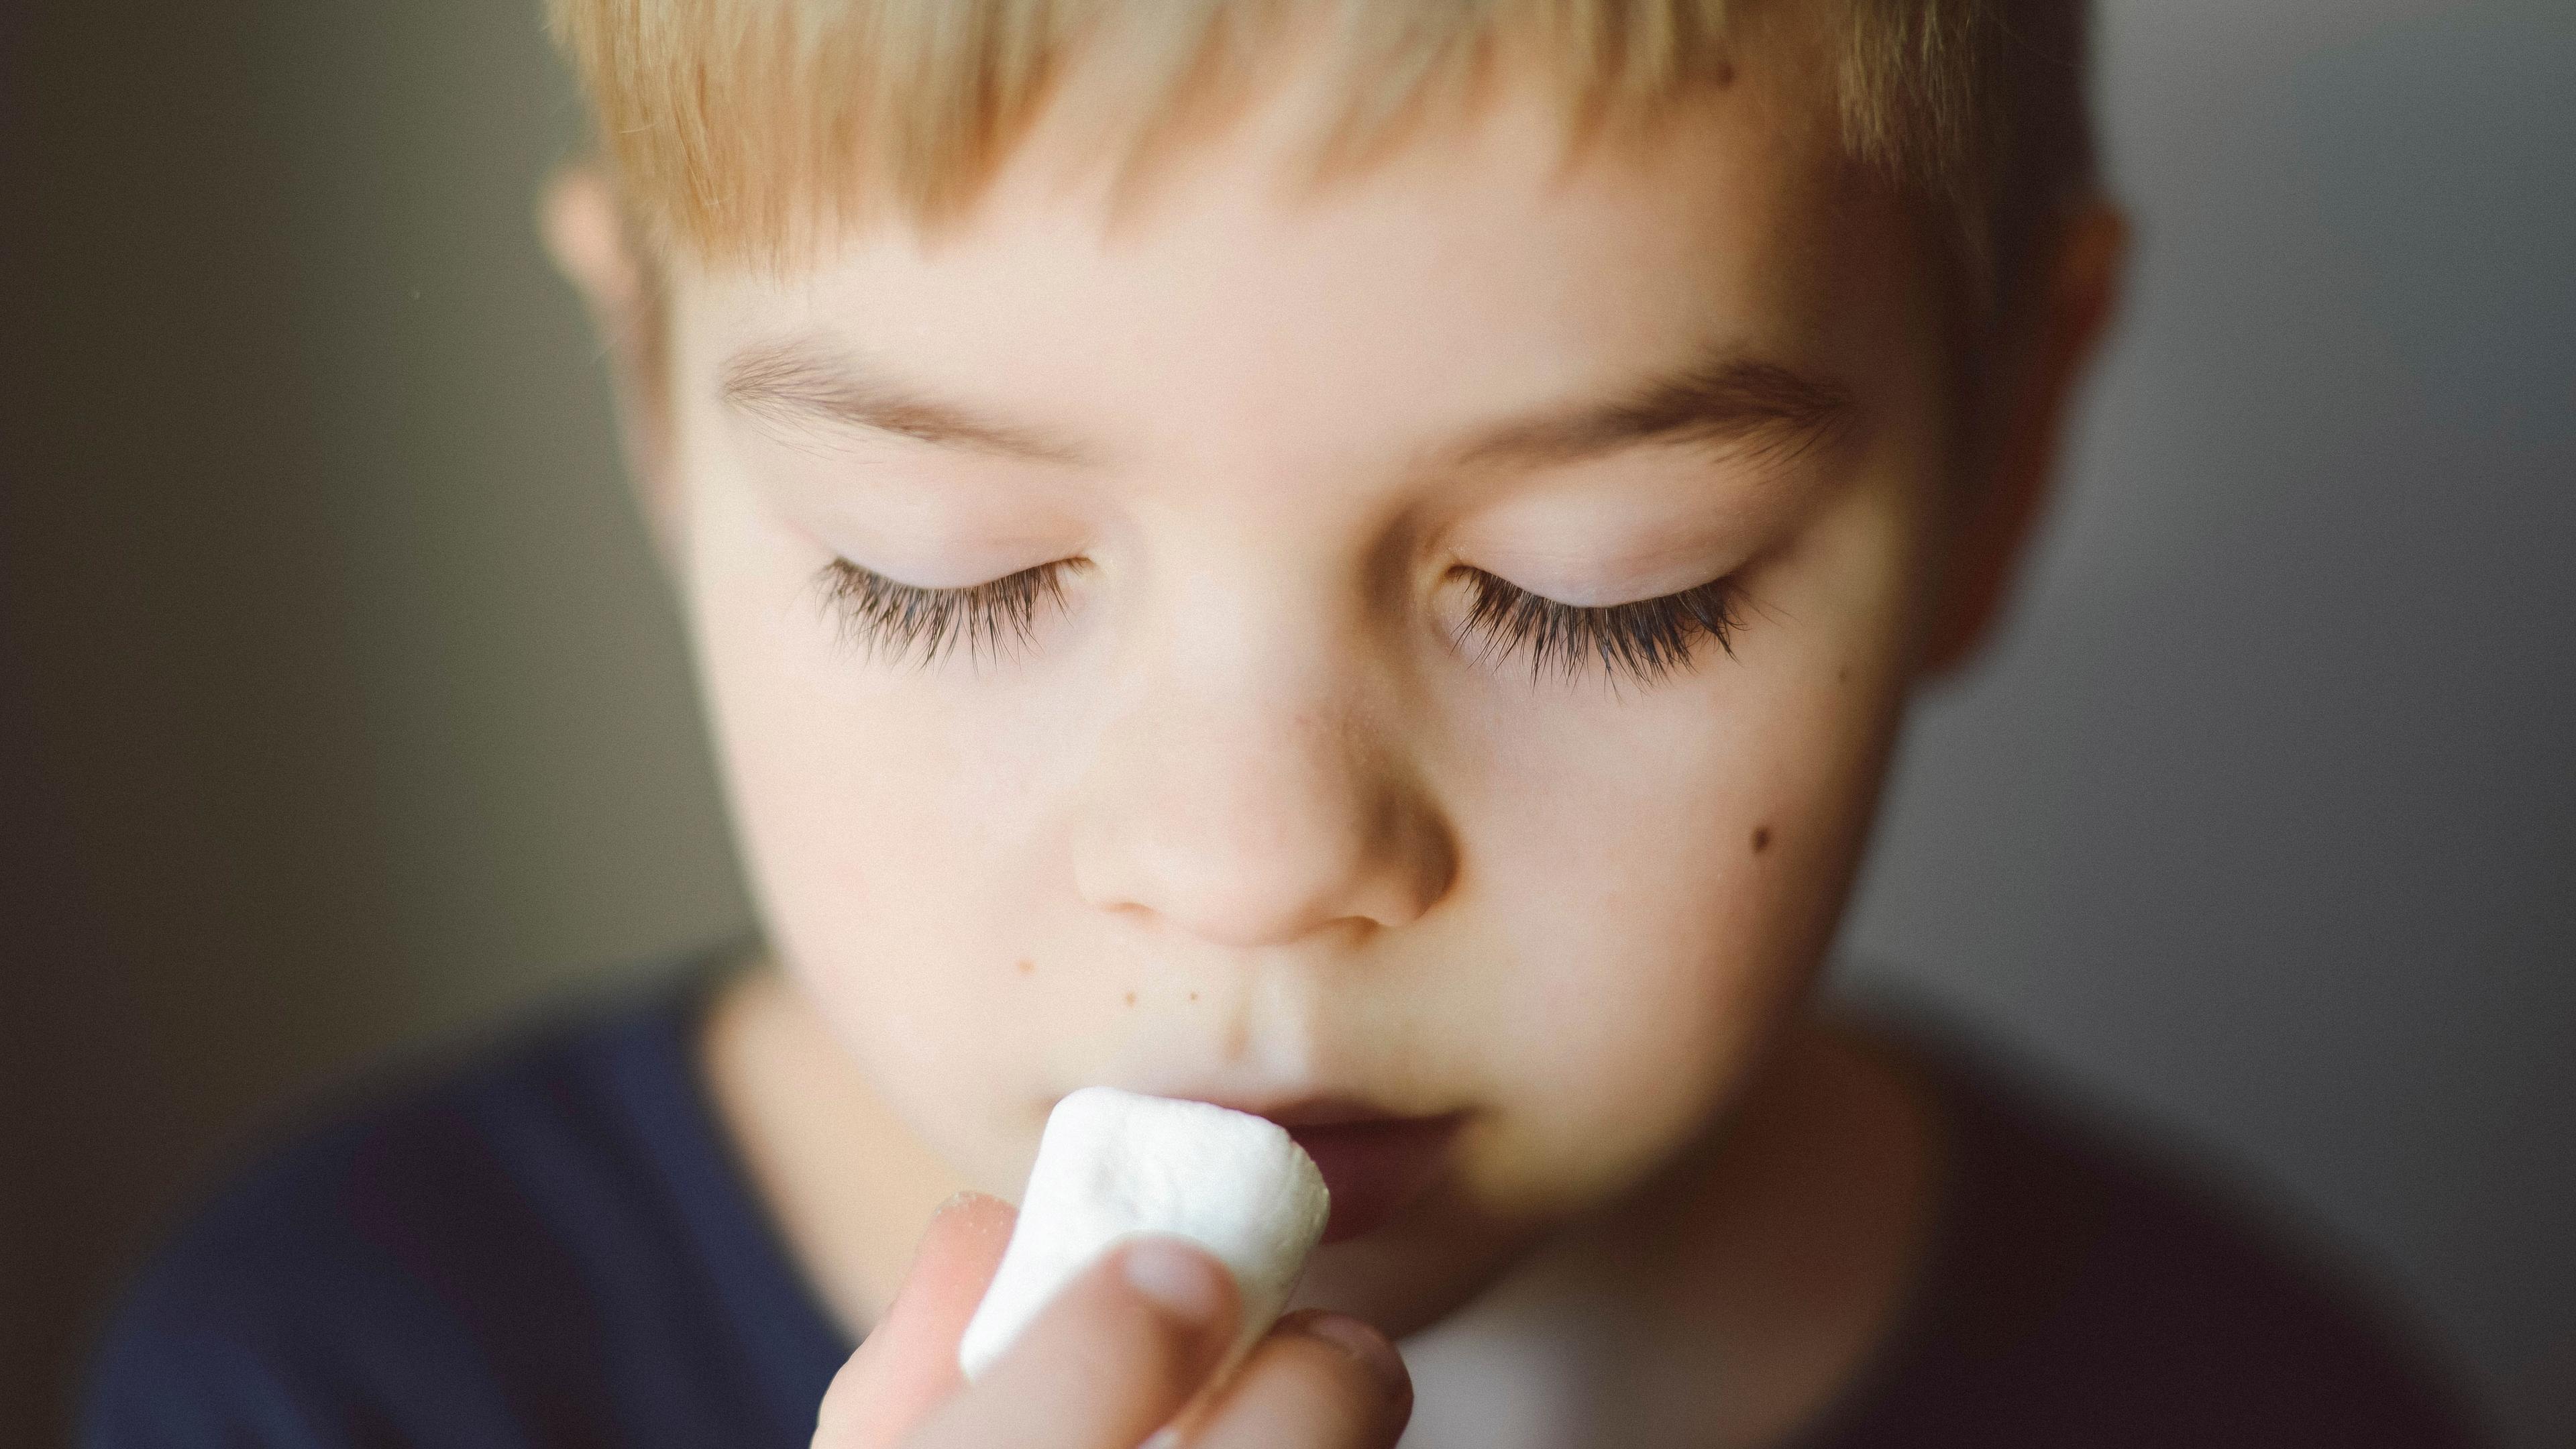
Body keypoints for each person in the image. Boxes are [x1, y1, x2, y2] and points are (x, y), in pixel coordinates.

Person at [80, 1, 2484, 1446]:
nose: (1250, 865)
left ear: (2006, 450)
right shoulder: (345, 1379)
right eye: (962, 570)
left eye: (1599, 598)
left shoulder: (2254, 1405)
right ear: (664, 426)